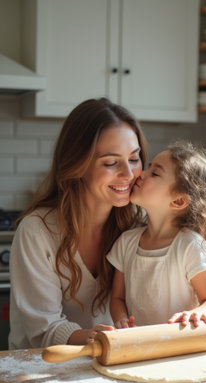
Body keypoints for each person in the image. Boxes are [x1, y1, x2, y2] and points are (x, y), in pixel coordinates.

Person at [9, 97, 147, 349]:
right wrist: (96, 337)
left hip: (106, 365)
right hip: (37, 372)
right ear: (77, 165)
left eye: (134, 158)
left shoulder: (138, 225)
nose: (128, 174)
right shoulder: (37, 231)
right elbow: (43, 329)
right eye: (110, 162)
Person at [108, 141, 206, 329]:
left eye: (155, 173)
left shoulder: (189, 245)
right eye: (149, 168)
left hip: (180, 346)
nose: (141, 173)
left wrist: (196, 313)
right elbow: (117, 298)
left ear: (178, 200)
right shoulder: (126, 242)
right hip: (139, 346)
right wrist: (121, 319)